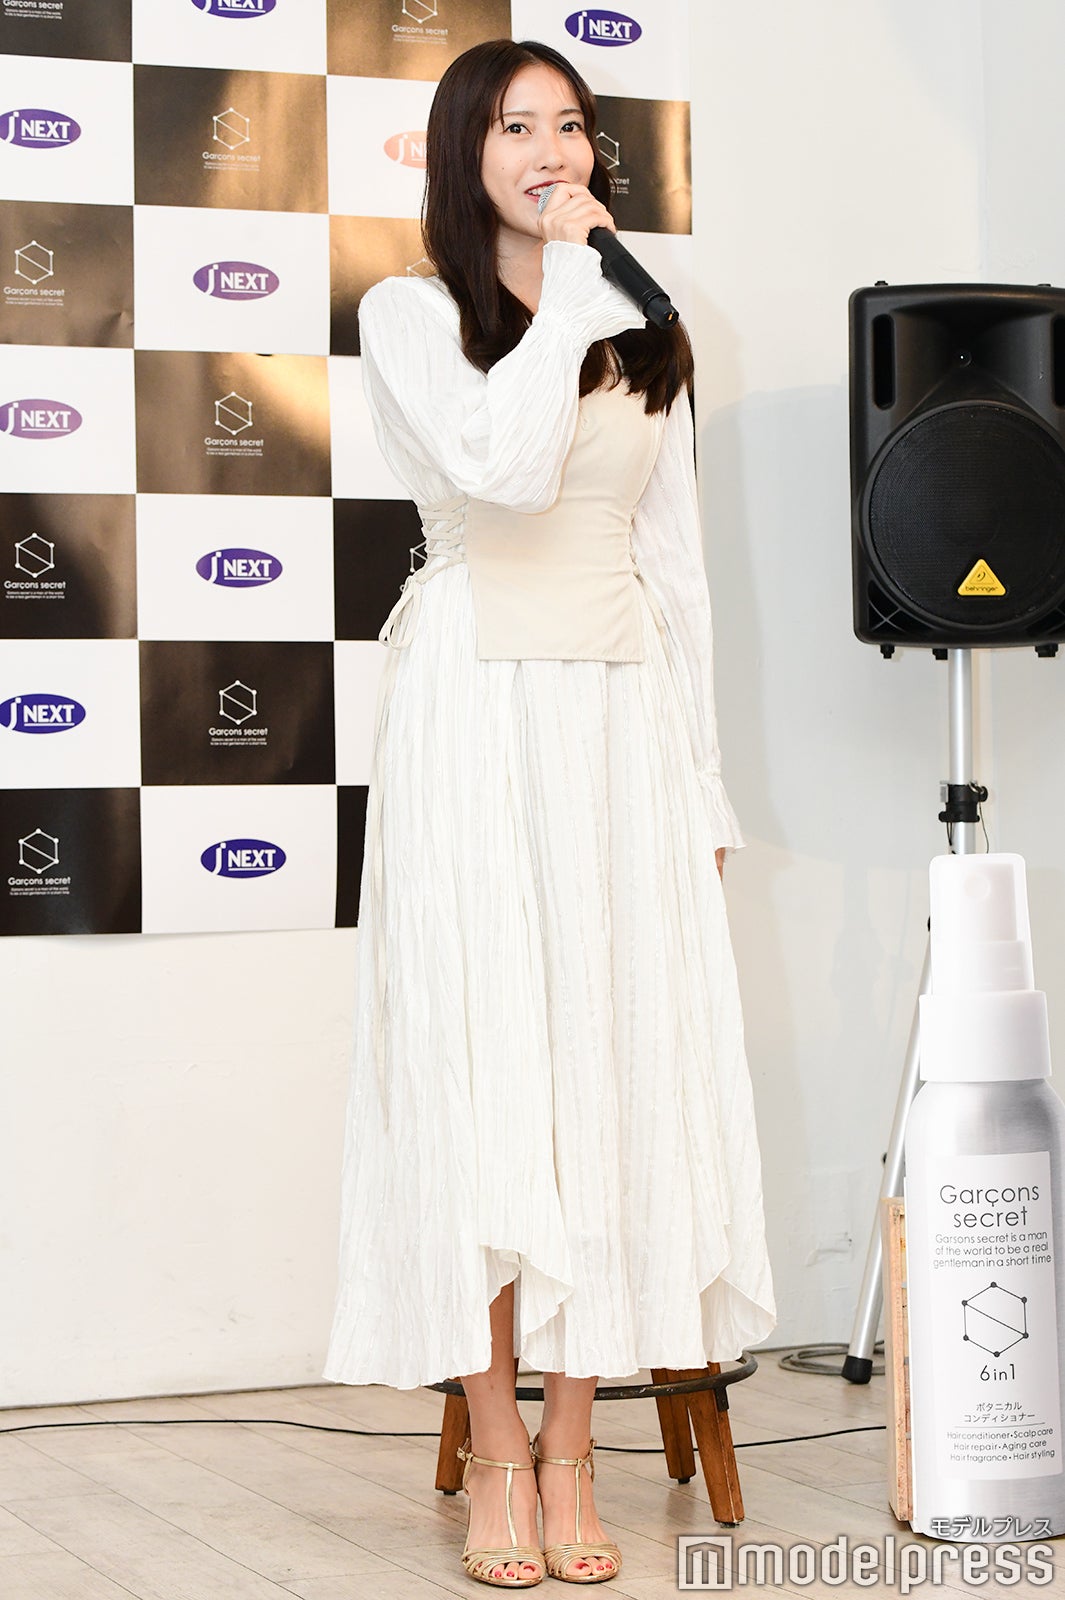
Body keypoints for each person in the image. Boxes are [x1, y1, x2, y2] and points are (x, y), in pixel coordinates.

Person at [323, 36, 776, 1589]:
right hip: (473, 709)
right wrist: (579, 291)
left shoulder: (648, 330)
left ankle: (574, 1446)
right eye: (516, 127)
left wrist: (701, 778)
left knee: (605, 1071)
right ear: (469, 153)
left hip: (617, 718)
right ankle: (496, 1452)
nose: (550, 151)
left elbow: (676, 567)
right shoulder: (409, 315)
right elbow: (502, 471)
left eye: (569, 126)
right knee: (480, 1072)